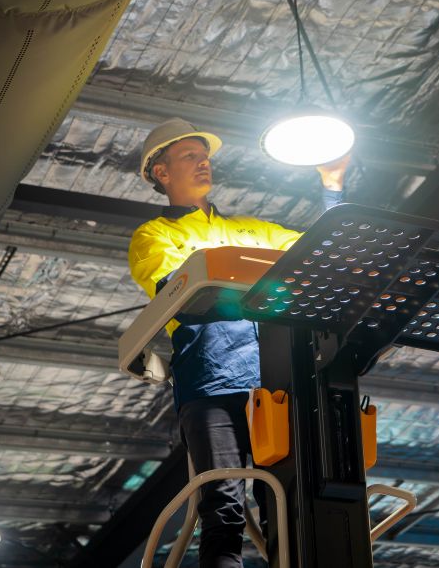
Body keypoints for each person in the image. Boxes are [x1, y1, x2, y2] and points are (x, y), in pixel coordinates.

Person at [128, 118, 348, 568]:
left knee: (288, 511)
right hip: (211, 385)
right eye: (189, 155)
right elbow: (181, 293)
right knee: (224, 509)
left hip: (273, 387)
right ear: (161, 172)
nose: (203, 162)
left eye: (204, 155)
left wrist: (332, 185)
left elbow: (326, 252)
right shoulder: (155, 236)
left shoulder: (252, 230)